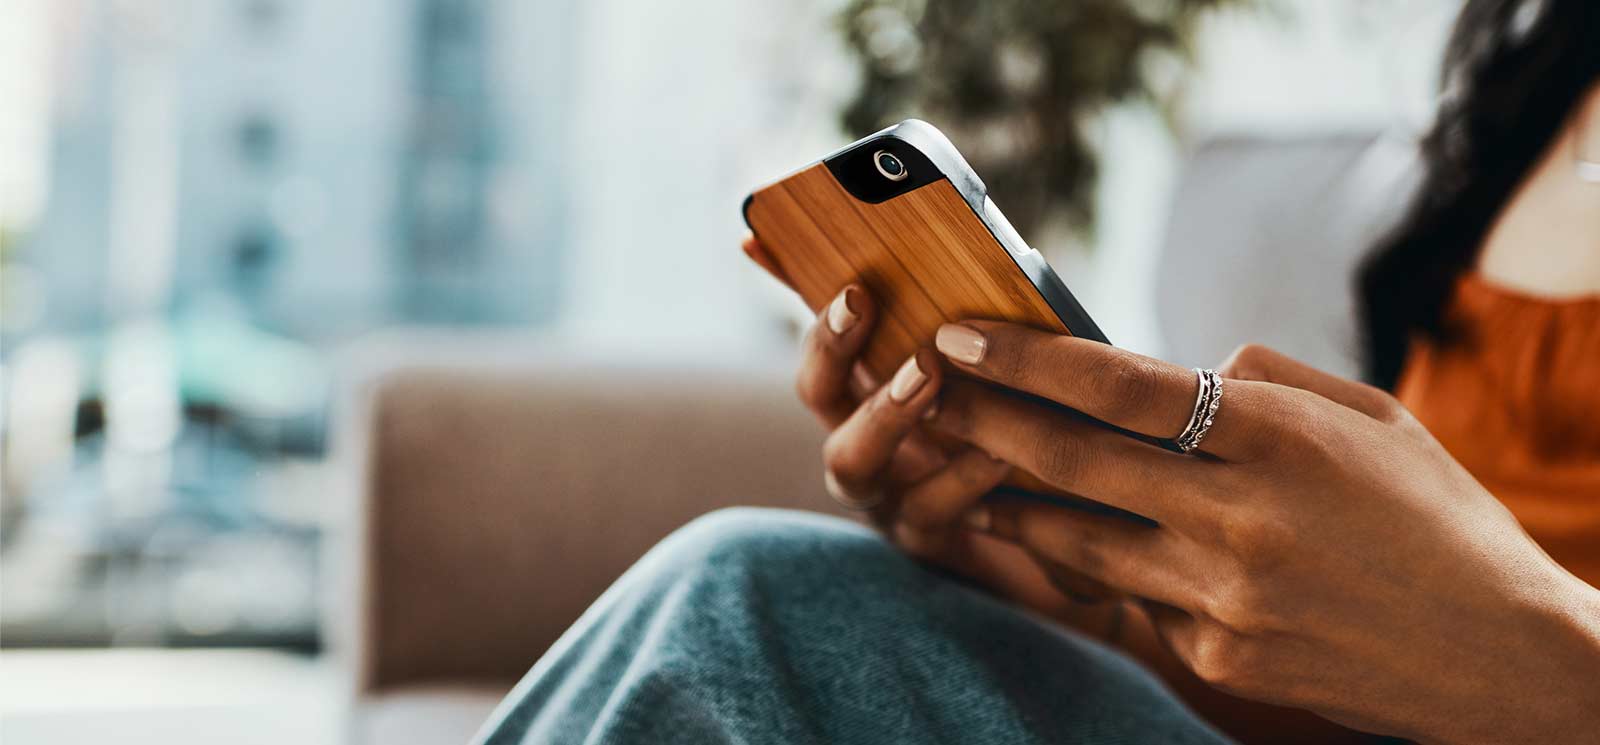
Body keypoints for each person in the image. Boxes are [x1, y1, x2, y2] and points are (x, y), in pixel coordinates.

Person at [475, 1, 1600, 742]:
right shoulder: (1543, 85)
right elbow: (1395, 691)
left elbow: (1494, 662)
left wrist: (1544, 659)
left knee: (743, 598)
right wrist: (1067, 571)